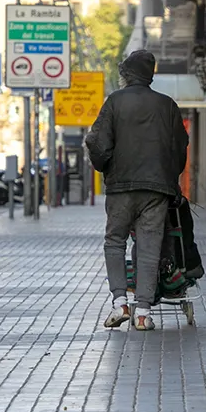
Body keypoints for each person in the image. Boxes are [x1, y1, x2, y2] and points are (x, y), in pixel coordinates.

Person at [85, 49, 188, 331]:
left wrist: (105, 167)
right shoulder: (167, 105)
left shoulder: (115, 102)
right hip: (156, 190)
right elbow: (180, 147)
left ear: (127, 75)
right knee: (149, 245)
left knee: (115, 241)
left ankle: (120, 303)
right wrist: (169, 178)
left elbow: (98, 143)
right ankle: (143, 312)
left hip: (121, 187)